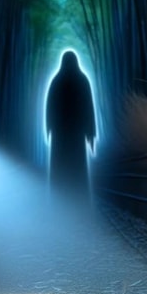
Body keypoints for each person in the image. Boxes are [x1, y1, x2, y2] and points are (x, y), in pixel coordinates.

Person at [45, 49, 97, 202]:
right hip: (76, 135)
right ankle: (79, 197)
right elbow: (89, 108)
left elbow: (49, 108)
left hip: (60, 135)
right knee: (76, 166)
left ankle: (59, 198)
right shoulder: (82, 80)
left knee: (60, 165)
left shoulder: (56, 81)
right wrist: (90, 132)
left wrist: (49, 128)